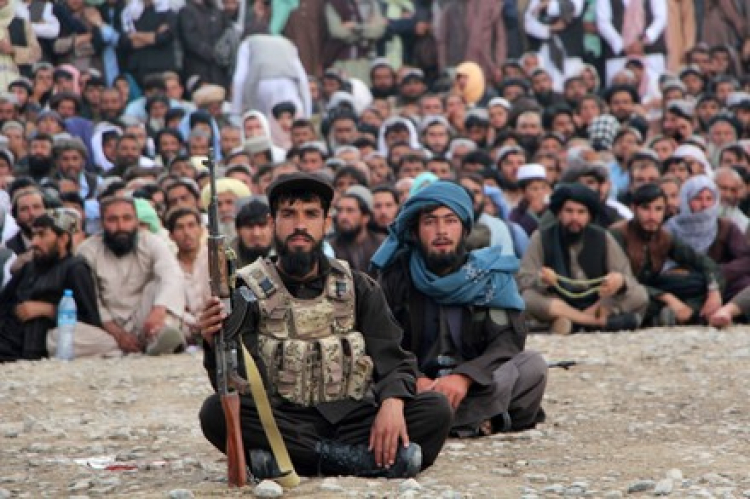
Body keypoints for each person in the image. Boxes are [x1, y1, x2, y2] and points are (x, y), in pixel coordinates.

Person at [198, 172, 452, 480]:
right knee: (215, 413)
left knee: (436, 409)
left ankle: (288, 460)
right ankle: (362, 461)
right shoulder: (246, 291)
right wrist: (214, 342)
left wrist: (393, 402)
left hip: (355, 417)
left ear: (326, 223)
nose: (300, 225)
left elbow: (394, 359)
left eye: (311, 214)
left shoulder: (359, 286)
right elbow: (237, 384)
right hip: (287, 420)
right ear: (273, 222)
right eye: (289, 214)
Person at [372, 181, 548, 438]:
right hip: (415, 385)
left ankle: (447, 421)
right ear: (416, 230)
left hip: (473, 385)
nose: (441, 231)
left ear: (464, 228)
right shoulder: (395, 277)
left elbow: (507, 342)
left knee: (532, 366)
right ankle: (481, 420)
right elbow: (382, 341)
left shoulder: (488, 277)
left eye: (450, 220)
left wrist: (464, 377)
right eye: (430, 222)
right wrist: (415, 379)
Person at [517, 184, 648, 334]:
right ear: (559, 213)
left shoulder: (603, 238)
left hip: (597, 303)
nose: (575, 217)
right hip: (558, 301)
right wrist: (542, 279)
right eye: (569, 211)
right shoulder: (541, 237)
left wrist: (619, 281)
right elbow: (523, 279)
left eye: (581, 212)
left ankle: (572, 323)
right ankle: (595, 323)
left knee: (639, 294)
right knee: (528, 298)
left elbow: (628, 278)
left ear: (589, 216)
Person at [77, 196, 186, 356]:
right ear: (102, 223)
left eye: (127, 218)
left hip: (145, 319)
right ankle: (142, 345)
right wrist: (118, 335)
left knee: (159, 286)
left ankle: (154, 337)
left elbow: (172, 274)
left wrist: (158, 310)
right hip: (107, 327)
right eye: (112, 220)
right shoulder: (87, 251)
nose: (120, 226)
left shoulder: (151, 242)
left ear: (136, 221)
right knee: (58, 337)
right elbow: (93, 301)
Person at [0, 209, 112, 361]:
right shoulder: (29, 268)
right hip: (9, 338)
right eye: (33, 235)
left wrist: (49, 310)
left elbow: (89, 320)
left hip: (38, 345)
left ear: (63, 239)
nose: (34, 242)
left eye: (42, 235)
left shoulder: (75, 269)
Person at [610, 184, 723, 326]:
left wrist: (714, 291)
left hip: (652, 287)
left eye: (658, 209)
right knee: (633, 300)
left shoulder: (664, 236)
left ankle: (688, 312)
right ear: (633, 209)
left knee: (700, 281)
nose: (652, 216)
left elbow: (703, 262)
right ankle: (673, 314)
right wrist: (667, 297)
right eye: (646, 208)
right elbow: (623, 280)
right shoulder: (618, 234)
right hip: (626, 291)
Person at [231, 34, 312, 119]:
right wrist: (307, 114)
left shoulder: (247, 44)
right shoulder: (287, 43)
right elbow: (302, 79)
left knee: (264, 120)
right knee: (293, 120)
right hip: (289, 84)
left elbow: (239, 79)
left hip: (262, 84)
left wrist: (235, 112)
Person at [166, 206, 210, 345]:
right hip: (185, 328)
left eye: (191, 225)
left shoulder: (214, 259)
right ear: (171, 235)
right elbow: (172, 305)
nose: (187, 232)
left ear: (201, 230)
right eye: (180, 228)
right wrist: (194, 322)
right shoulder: (168, 266)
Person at [329, 188, 384, 277]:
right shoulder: (330, 248)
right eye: (339, 210)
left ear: (365, 217)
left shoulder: (382, 245)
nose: (343, 216)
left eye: (350, 210)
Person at [229, 199, 275, 268]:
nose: (256, 234)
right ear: (238, 230)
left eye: (262, 225)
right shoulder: (226, 261)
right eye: (249, 226)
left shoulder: (284, 253)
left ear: (273, 227)